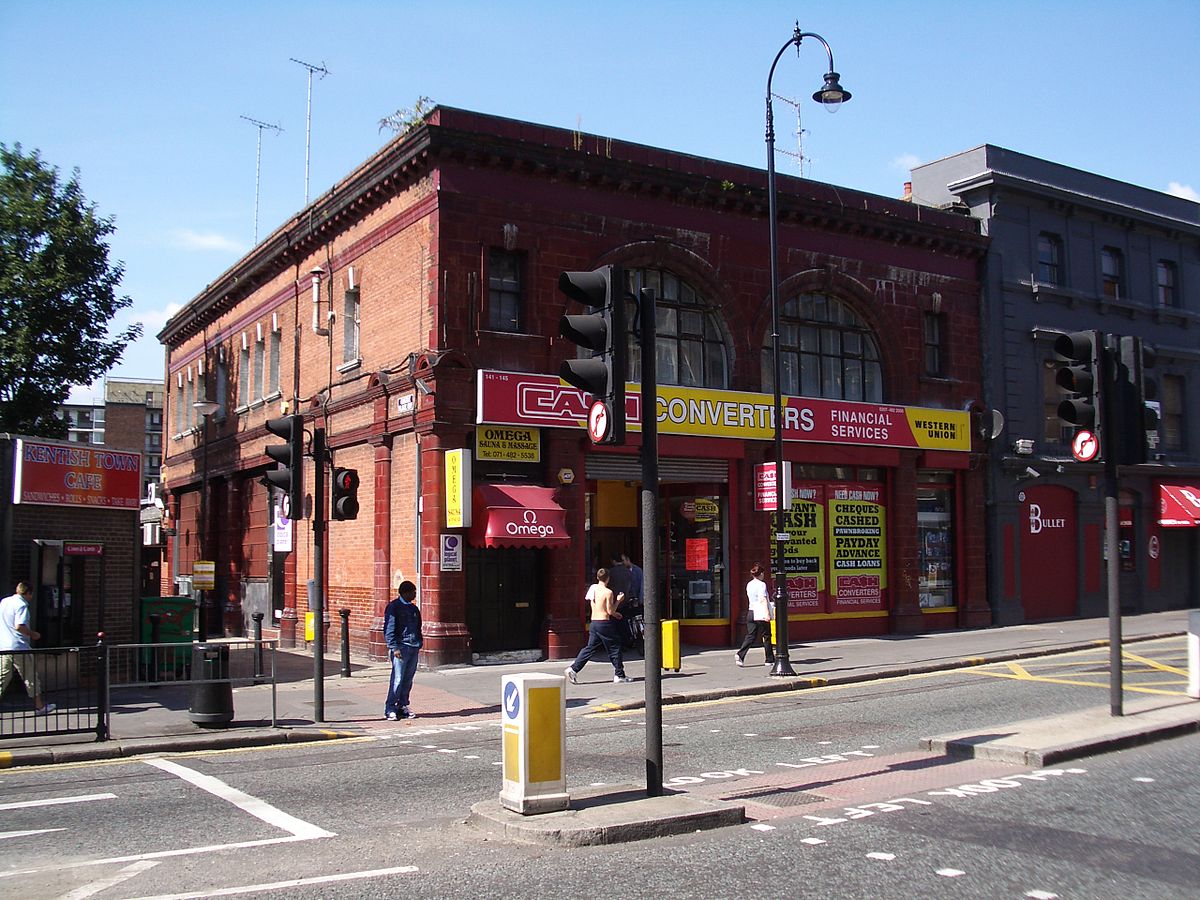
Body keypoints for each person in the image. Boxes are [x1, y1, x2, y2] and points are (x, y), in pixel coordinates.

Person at [565, 568, 632, 684]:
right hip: (604, 623)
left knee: (589, 648)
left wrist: (616, 615)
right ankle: (619, 675)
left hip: (594, 622)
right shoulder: (608, 592)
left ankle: (573, 669)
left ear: (597, 577)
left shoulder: (593, 588)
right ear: (608, 578)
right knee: (615, 648)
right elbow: (610, 611)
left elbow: (597, 605)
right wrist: (618, 601)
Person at [0, 582, 55, 714]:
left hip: (4, 646)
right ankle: (40, 707)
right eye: (31, 594)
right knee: (30, 677)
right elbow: (19, 625)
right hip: (19, 646)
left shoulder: (5, 602)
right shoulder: (21, 605)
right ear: (28, 593)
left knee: (2, 677)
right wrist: (33, 634)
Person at [383, 579, 423, 720]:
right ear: (406, 593)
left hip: (413, 646)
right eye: (413, 592)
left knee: (408, 679)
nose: (415, 594)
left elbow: (418, 626)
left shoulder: (413, 609)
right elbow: (389, 628)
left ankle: (403, 705)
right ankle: (390, 707)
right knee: (398, 679)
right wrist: (394, 647)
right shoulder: (394, 607)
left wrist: (419, 643)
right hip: (401, 647)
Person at [735, 563, 775, 668]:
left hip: (751, 611)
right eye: (763, 573)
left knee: (751, 635)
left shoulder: (749, 584)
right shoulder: (762, 584)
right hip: (760, 612)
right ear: (761, 573)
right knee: (766, 636)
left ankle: (740, 655)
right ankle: (769, 659)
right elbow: (762, 599)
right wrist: (767, 613)